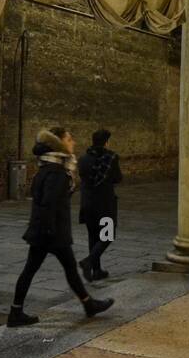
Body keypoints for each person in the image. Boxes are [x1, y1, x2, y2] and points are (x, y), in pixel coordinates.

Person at [7, 126, 114, 326]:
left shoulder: (47, 168)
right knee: (51, 269)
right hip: (52, 232)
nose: (73, 142)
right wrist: (49, 231)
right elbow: (49, 202)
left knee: (52, 269)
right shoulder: (57, 172)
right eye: (69, 139)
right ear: (60, 144)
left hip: (45, 230)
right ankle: (88, 304)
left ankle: (17, 311)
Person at [78, 128, 122, 281]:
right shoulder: (111, 158)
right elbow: (117, 178)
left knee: (93, 236)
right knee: (108, 235)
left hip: (88, 203)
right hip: (105, 204)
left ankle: (96, 271)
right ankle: (89, 261)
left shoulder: (83, 159)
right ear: (106, 142)